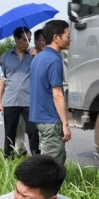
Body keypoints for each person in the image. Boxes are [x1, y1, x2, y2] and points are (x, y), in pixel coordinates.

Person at [30, 20, 71, 164]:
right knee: (50, 166)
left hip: (39, 117)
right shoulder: (54, 60)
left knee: (57, 159)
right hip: (50, 119)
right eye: (67, 35)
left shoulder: (38, 58)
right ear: (56, 37)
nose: (69, 38)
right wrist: (65, 124)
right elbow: (57, 95)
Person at [0, 27, 40, 158]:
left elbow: (41, 73)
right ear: (15, 39)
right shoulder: (5, 57)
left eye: (29, 40)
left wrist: (36, 56)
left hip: (29, 100)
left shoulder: (34, 56)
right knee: (10, 132)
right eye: (24, 39)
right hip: (11, 100)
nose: (27, 43)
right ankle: (8, 158)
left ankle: (37, 159)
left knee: (32, 131)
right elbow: (1, 79)